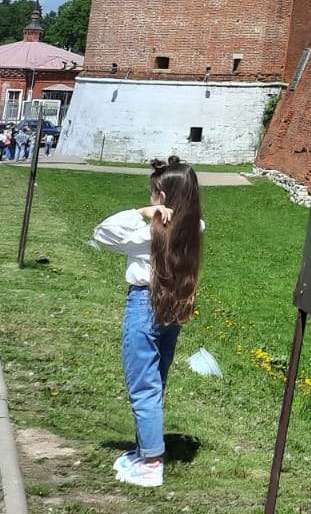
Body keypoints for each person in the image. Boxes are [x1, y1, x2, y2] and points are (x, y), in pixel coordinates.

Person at [91, 157, 204, 488]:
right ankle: (145, 449)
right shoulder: (195, 227)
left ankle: (152, 462)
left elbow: (103, 232)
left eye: (153, 194)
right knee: (155, 378)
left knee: (143, 384)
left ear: (163, 198)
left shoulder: (148, 234)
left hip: (145, 303)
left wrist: (142, 212)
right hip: (175, 304)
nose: (150, 199)